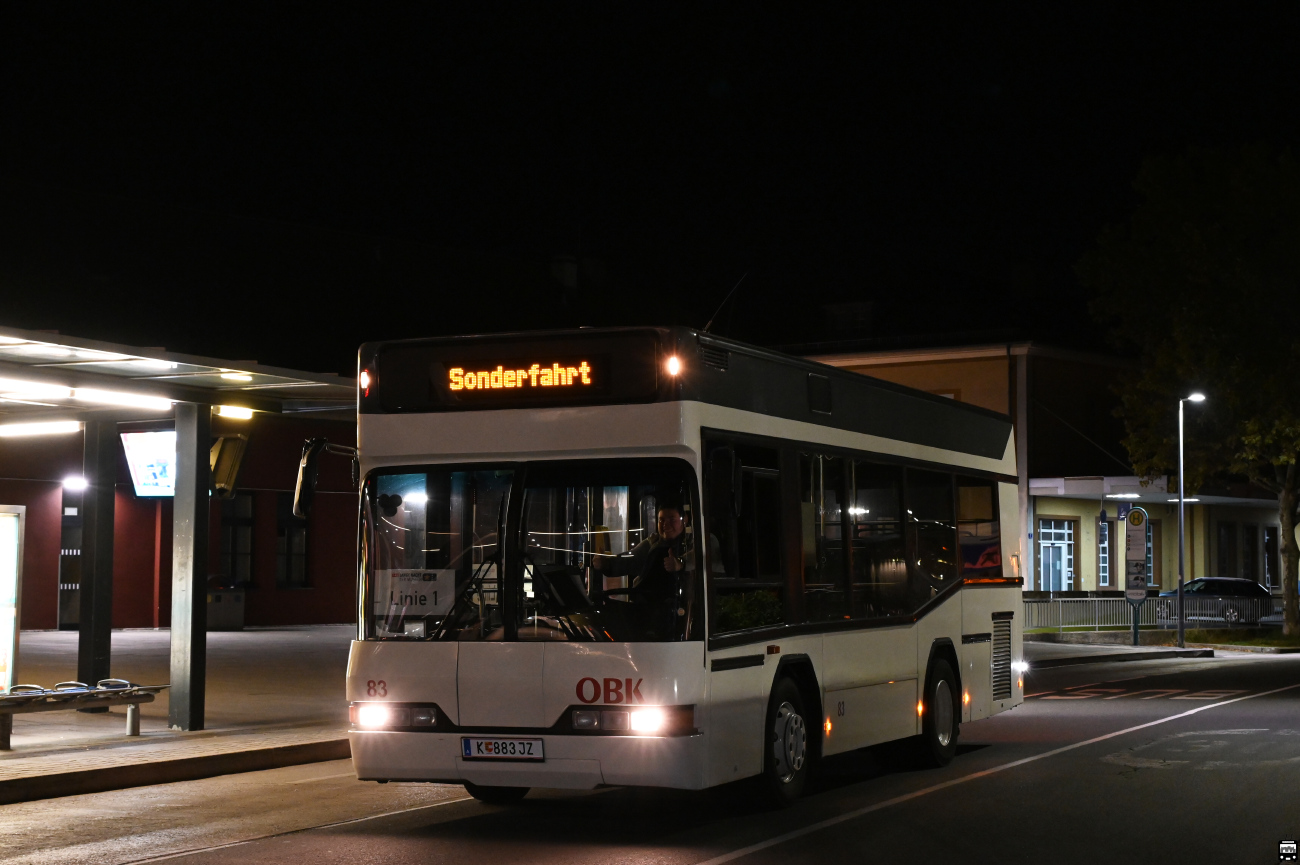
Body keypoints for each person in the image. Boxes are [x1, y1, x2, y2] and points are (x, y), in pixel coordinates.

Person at [592, 505, 694, 589]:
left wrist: (681, 563)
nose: (665, 525)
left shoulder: (698, 539)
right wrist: (606, 564)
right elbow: (630, 560)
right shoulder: (653, 544)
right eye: (661, 520)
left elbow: (704, 556)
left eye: (672, 519)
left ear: (684, 520)